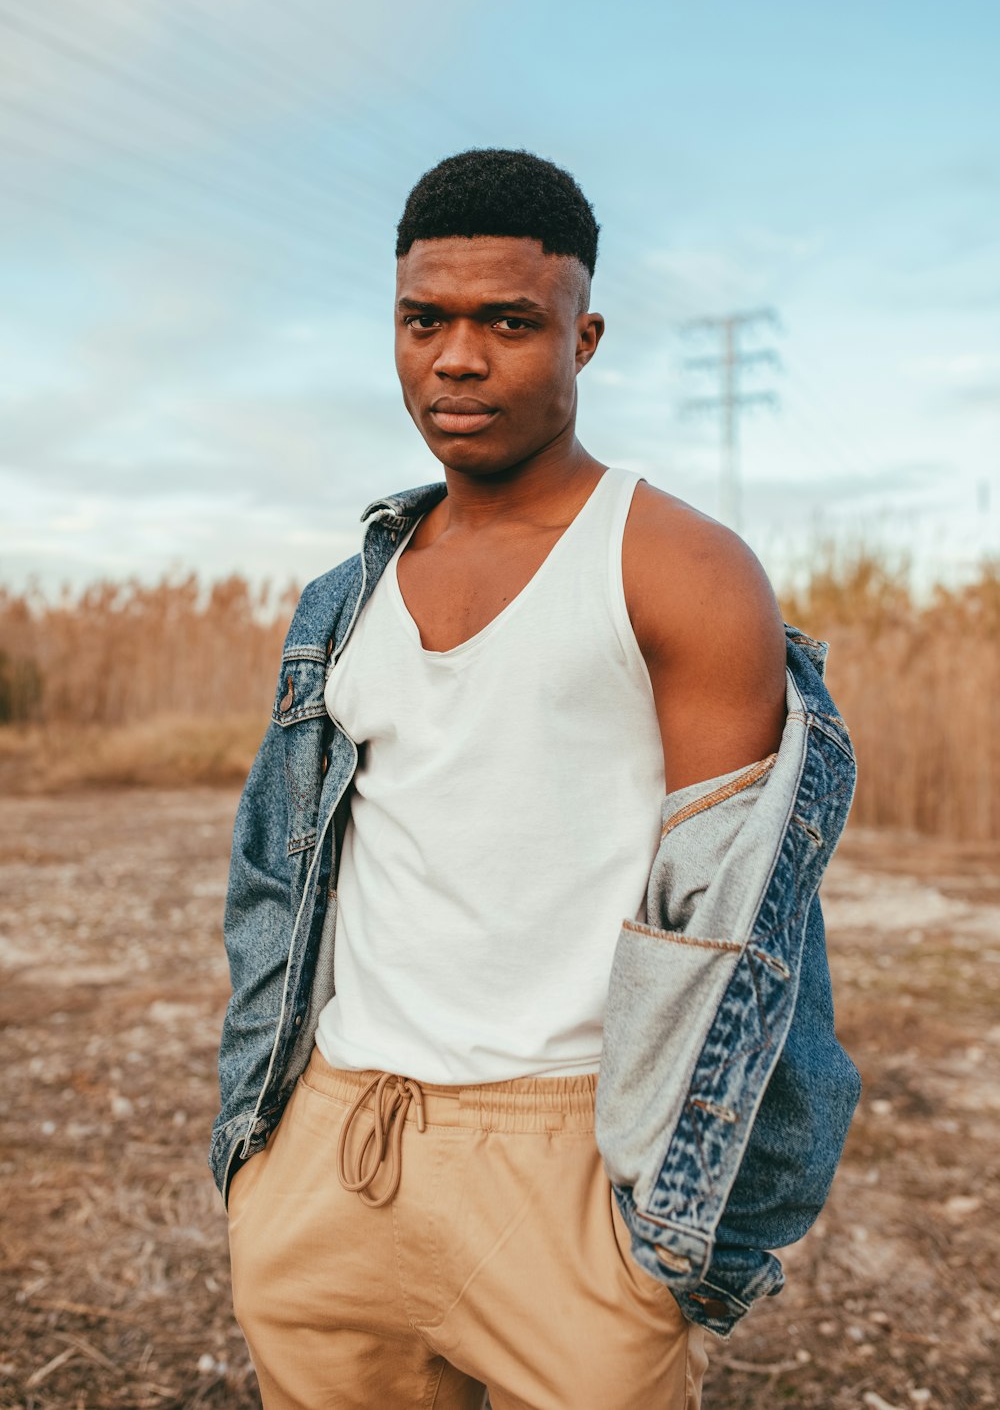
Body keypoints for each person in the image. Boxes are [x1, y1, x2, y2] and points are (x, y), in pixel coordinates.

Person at [212, 148, 860, 1410]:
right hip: (335, 1157)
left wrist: (696, 1250)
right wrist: (262, 1161)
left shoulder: (676, 566)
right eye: (424, 321)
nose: (457, 359)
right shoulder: (341, 605)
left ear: (584, 334)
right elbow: (271, 893)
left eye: (509, 321)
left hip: (568, 1172)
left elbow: (755, 930)